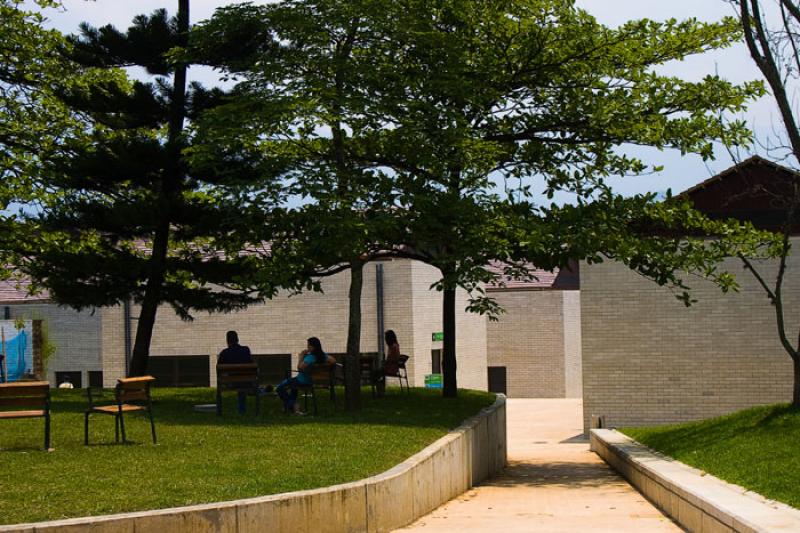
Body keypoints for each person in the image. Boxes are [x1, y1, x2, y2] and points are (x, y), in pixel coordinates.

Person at [276, 337, 335, 414]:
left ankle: (293, 405)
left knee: (279, 388)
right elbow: (333, 361)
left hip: (302, 381)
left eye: (308, 346)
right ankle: (293, 408)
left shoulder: (310, 357)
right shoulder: (323, 356)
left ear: (313, 346)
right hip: (311, 381)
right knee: (293, 388)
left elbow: (299, 368)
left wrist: (301, 356)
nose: (307, 347)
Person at [218, 330, 253, 414]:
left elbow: (218, 369)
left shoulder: (224, 353)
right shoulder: (246, 350)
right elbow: (251, 364)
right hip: (245, 382)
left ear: (227, 340)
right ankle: (242, 411)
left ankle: (219, 411)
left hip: (230, 383)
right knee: (242, 384)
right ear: (237, 339)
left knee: (238, 382)